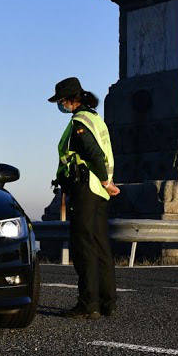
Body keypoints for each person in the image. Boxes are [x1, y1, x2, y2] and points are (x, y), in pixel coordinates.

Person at [49, 77, 120, 319]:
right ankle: (107, 302)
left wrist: (105, 182)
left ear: (68, 100)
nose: (60, 106)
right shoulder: (95, 118)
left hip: (88, 189)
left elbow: (94, 154)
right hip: (98, 192)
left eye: (60, 101)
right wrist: (107, 183)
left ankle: (88, 304)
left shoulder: (80, 122)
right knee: (100, 245)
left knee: (84, 247)